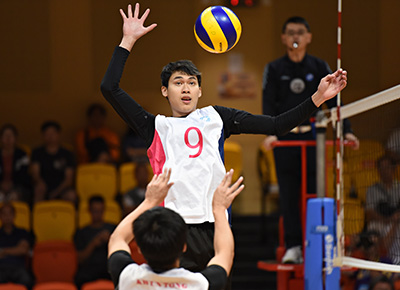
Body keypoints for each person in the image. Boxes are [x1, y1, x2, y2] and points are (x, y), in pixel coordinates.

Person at [101, 3, 348, 278]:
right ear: (164, 90)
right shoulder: (156, 126)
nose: (186, 88)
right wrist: (128, 40)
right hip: (172, 226)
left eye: (192, 82)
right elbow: (109, 88)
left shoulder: (217, 117)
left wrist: (318, 98)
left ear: (200, 90)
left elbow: (278, 124)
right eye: (178, 82)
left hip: (214, 224)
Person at [262, 16, 359, 263]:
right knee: (288, 195)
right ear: (284, 38)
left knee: (316, 194)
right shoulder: (274, 69)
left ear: (308, 37)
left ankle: (315, 243)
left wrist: (346, 129)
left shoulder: (318, 66)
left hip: (314, 142)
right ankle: (293, 246)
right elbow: (268, 103)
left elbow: (335, 98)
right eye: (290, 33)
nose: (295, 37)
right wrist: (270, 133)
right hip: (286, 141)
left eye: (300, 32)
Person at [108, 168, 244, 290]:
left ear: (139, 249)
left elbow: (118, 238)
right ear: (184, 247)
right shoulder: (199, 285)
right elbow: (225, 254)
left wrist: (149, 201)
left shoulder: (127, 278)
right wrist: (219, 209)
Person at [74, 195, 116, 289]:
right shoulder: (81, 232)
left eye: (100, 211)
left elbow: (121, 253)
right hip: (89, 272)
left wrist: (111, 240)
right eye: (95, 211)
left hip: (108, 270)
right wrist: (93, 243)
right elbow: (80, 259)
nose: (98, 214)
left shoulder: (112, 229)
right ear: (89, 210)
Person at [31, 121, 76, 203]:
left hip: (61, 188)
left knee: (71, 195)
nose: (50, 136)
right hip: (44, 186)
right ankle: (37, 214)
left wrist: (56, 192)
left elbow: (68, 179)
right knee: (38, 189)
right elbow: (35, 173)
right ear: (43, 135)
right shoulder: (37, 152)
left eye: (53, 133)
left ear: (58, 134)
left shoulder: (67, 153)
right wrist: (41, 183)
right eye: (47, 134)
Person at [0, 203, 33, 289]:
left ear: (14, 216)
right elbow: (19, 249)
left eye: (9, 213)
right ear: (0, 216)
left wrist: (4, 251)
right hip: (1, 268)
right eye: (4, 214)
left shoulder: (22, 232)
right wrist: (15, 249)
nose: (7, 217)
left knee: (27, 280)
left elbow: (23, 250)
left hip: (18, 267)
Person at [0, 124, 31, 204]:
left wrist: (12, 184)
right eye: (5, 136)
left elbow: (24, 174)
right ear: (1, 138)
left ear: (15, 138)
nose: (8, 139)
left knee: (13, 197)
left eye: (11, 136)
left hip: (17, 186)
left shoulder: (22, 155)